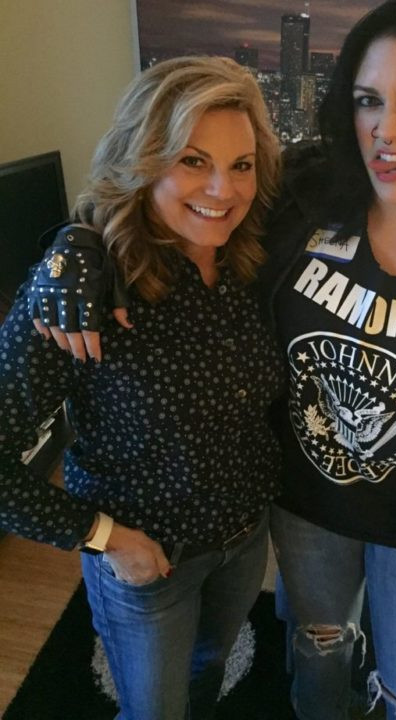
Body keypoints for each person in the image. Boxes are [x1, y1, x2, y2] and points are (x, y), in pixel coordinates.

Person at [26, 0, 396, 720]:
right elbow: (168, 197)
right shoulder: (303, 194)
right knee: (319, 653)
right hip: (308, 507)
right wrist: (71, 247)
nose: (386, 131)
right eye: (368, 101)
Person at [0, 56, 286, 720]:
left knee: (211, 666)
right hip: (144, 562)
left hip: (244, 540)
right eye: (193, 160)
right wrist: (104, 536)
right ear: (143, 157)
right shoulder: (84, 292)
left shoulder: (252, 264)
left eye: (241, 165)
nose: (223, 188)